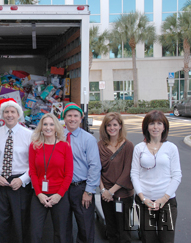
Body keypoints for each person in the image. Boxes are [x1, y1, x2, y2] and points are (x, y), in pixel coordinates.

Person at [0, 98, 33, 243]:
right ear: (2, 115)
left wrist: (22, 179)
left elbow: (35, 164)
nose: (9, 115)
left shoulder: (29, 135)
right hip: (0, 183)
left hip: (21, 184)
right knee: (1, 222)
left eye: (13, 111)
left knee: (21, 223)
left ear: (19, 115)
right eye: (6, 112)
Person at [131, 110, 182, 243]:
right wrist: (143, 198)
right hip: (144, 202)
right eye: (152, 123)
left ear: (164, 127)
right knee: (148, 239)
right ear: (146, 127)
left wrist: (163, 199)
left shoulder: (171, 148)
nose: (155, 127)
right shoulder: (139, 148)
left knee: (166, 239)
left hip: (167, 202)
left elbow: (176, 175)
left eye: (159, 123)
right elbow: (134, 174)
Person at [29, 113, 73, 243]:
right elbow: (32, 172)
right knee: (35, 233)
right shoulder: (34, 146)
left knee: (60, 234)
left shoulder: (65, 146)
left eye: (51, 124)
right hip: (39, 195)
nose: (48, 127)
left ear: (56, 127)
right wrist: (39, 194)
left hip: (59, 195)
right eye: (45, 124)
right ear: (41, 127)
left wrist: (59, 195)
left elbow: (69, 174)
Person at [61, 102, 101, 243]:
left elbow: (95, 166)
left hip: (81, 188)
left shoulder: (88, 139)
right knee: (63, 227)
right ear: (64, 118)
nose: (72, 119)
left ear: (81, 117)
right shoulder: (57, 137)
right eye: (69, 115)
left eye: (76, 116)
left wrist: (89, 191)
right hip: (62, 188)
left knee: (85, 226)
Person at [98, 112, 134, 243]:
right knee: (111, 230)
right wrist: (103, 191)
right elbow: (97, 170)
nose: (111, 128)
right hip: (105, 196)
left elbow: (127, 171)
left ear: (120, 126)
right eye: (108, 125)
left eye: (115, 124)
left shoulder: (128, 145)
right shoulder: (100, 145)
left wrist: (111, 191)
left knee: (124, 232)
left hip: (123, 195)